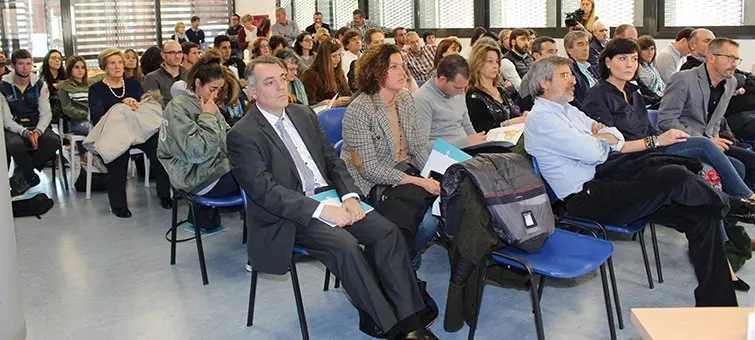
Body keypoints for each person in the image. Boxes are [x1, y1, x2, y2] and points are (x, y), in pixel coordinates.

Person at [228, 55, 438, 340]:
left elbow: (332, 160)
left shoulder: (302, 114)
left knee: (387, 232)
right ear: (251, 92)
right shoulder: (242, 134)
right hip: (292, 214)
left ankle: (411, 320)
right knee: (346, 246)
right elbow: (266, 192)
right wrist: (321, 211)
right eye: (270, 82)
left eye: (282, 78)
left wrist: (350, 196)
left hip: (334, 199)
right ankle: (391, 327)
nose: (280, 87)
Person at [524, 55, 738, 307]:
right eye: (565, 75)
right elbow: (597, 151)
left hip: (608, 179)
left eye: (572, 74)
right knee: (673, 176)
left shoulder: (568, 110)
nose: (573, 80)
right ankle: (734, 205)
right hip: (586, 200)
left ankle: (718, 306)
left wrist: (602, 137)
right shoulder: (542, 120)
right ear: (543, 83)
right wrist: (602, 139)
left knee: (702, 213)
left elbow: (615, 137)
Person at [342, 43, 439, 271]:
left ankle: (398, 264)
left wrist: (432, 175)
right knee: (427, 221)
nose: (402, 72)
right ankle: (404, 265)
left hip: (406, 173)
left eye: (402, 66)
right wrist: (420, 181)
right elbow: (369, 170)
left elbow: (417, 146)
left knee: (449, 201)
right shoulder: (359, 110)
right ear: (375, 71)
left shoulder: (405, 99)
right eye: (393, 66)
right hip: (372, 185)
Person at [658, 38, 755, 193]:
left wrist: (714, 138)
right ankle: (748, 199)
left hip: (710, 142)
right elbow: (666, 121)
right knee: (737, 166)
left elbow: (716, 120)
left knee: (749, 161)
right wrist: (707, 140)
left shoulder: (730, 83)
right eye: (730, 58)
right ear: (711, 58)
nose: (735, 63)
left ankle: (740, 209)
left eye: (737, 59)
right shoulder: (683, 79)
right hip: (680, 142)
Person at [88, 48, 171, 218]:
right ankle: (118, 204)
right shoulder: (97, 89)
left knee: (159, 148)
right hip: (114, 131)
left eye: (120, 62)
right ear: (104, 67)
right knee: (118, 154)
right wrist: (122, 105)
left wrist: (136, 105)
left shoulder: (133, 84)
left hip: (137, 129)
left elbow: (144, 109)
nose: (118, 66)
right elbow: (98, 118)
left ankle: (165, 194)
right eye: (112, 63)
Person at [157, 55, 237, 232]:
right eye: (213, 89)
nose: (216, 95)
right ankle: (266, 241)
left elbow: (222, 140)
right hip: (195, 177)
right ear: (198, 83)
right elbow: (198, 151)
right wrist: (208, 117)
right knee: (257, 178)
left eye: (219, 90)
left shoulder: (205, 102)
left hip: (215, 169)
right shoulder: (178, 107)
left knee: (262, 169)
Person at [1, 49, 60, 195]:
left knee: (53, 141)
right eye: (20, 64)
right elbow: (6, 119)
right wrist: (25, 133)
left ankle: (22, 174)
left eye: (28, 63)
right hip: (15, 128)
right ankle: (31, 176)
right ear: (13, 66)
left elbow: (46, 114)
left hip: (37, 125)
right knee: (15, 145)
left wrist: (38, 131)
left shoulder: (40, 84)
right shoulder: (3, 86)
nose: (25, 67)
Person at [415, 55, 485, 151]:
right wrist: (465, 142)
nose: (461, 92)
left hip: (465, 150)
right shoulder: (422, 99)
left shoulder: (459, 90)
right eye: (458, 88)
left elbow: (466, 124)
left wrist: (479, 143)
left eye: (464, 87)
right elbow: (422, 146)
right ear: (442, 80)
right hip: (445, 155)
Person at [465, 43, 524, 133]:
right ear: (477, 64)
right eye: (490, 61)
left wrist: (522, 116)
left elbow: (512, 114)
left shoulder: (501, 90)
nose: (495, 66)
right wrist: (509, 123)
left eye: (497, 61)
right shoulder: (473, 96)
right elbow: (481, 129)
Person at [300, 38, 351, 106]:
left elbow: (347, 93)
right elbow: (309, 106)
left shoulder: (338, 72)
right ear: (324, 57)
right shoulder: (310, 75)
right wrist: (332, 103)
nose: (338, 59)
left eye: (339, 55)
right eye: (334, 56)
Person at [59, 56, 91, 141]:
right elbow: (67, 108)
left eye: (83, 67)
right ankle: (85, 152)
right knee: (96, 130)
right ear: (70, 69)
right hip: (76, 121)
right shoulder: (64, 86)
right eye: (76, 67)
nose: (80, 70)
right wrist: (85, 114)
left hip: (93, 119)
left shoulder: (90, 85)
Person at [564, 30, 597, 108]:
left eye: (587, 44)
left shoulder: (591, 68)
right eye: (580, 44)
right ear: (569, 50)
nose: (585, 48)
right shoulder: (569, 71)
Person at [40, 49, 66, 121]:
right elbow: (44, 92)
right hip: (49, 106)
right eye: (54, 58)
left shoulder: (64, 75)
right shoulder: (42, 77)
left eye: (59, 59)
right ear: (47, 60)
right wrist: (54, 87)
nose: (57, 61)